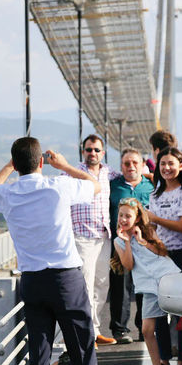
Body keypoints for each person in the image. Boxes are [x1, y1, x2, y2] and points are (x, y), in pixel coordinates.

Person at [0, 137, 100, 365]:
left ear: (16, 163)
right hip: (66, 279)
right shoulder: (60, 186)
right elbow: (94, 185)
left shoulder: (7, 193)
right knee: (81, 348)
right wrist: (65, 166)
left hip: (32, 281)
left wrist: (8, 167)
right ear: (41, 163)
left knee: (39, 353)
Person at [112, 198, 180, 365]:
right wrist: (127, 242)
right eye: (121, 215)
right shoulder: (118, 241)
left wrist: (141, 240)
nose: (124, 219)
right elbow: (128, 264)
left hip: (168, 279)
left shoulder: (148, 231)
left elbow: (162, 252)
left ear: (137, 218)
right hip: (149, 288)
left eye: (128, 216)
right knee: (147, 330)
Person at [146, 147, 182, 365]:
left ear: (180, 166)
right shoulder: (155, 195)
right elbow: (151, 228)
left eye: (171, 163)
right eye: (162, 163)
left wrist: (155, 219)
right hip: (161, 254)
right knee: (160, 309)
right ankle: (164, 358)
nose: (166, 168)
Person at [68, 134, 119, 346]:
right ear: (83, 151)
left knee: (101, 285)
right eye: (89, 149)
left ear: (103, 153)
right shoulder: (72, 174)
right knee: (86, 286)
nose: (93, 153)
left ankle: (95, 330)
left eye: (97, 150)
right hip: (83, 237)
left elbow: (132, 175)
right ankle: (85, 335)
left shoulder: (108, 173)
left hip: (103, 236)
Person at [108, 148, 154, 344]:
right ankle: (120, 329)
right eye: (127, 163)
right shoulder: (113, 186)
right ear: (121, 166)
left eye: (135, 162)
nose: (131, 166)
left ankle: (143, 326)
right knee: (120, 286)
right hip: (120, 242)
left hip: (144, 243)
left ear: (142, 164)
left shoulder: (151, 185)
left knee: (144, 285)